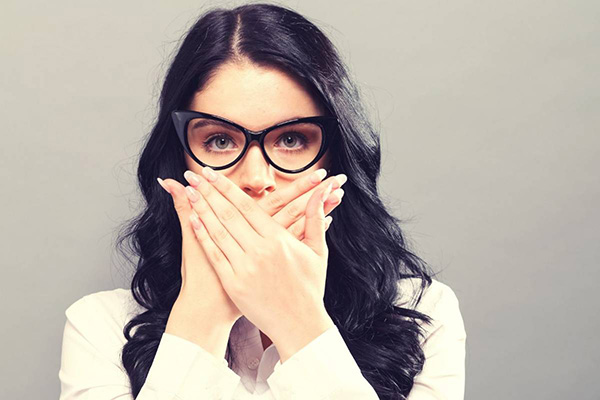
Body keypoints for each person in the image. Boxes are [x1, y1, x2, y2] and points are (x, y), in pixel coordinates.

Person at [58, 3, 466, 399]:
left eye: (291, 140)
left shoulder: (425, 316)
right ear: (180, 158)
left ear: (334, 155)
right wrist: (202, 314)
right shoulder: (100, 327)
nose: (255, 178)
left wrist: (298, 322)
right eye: (219, 141)